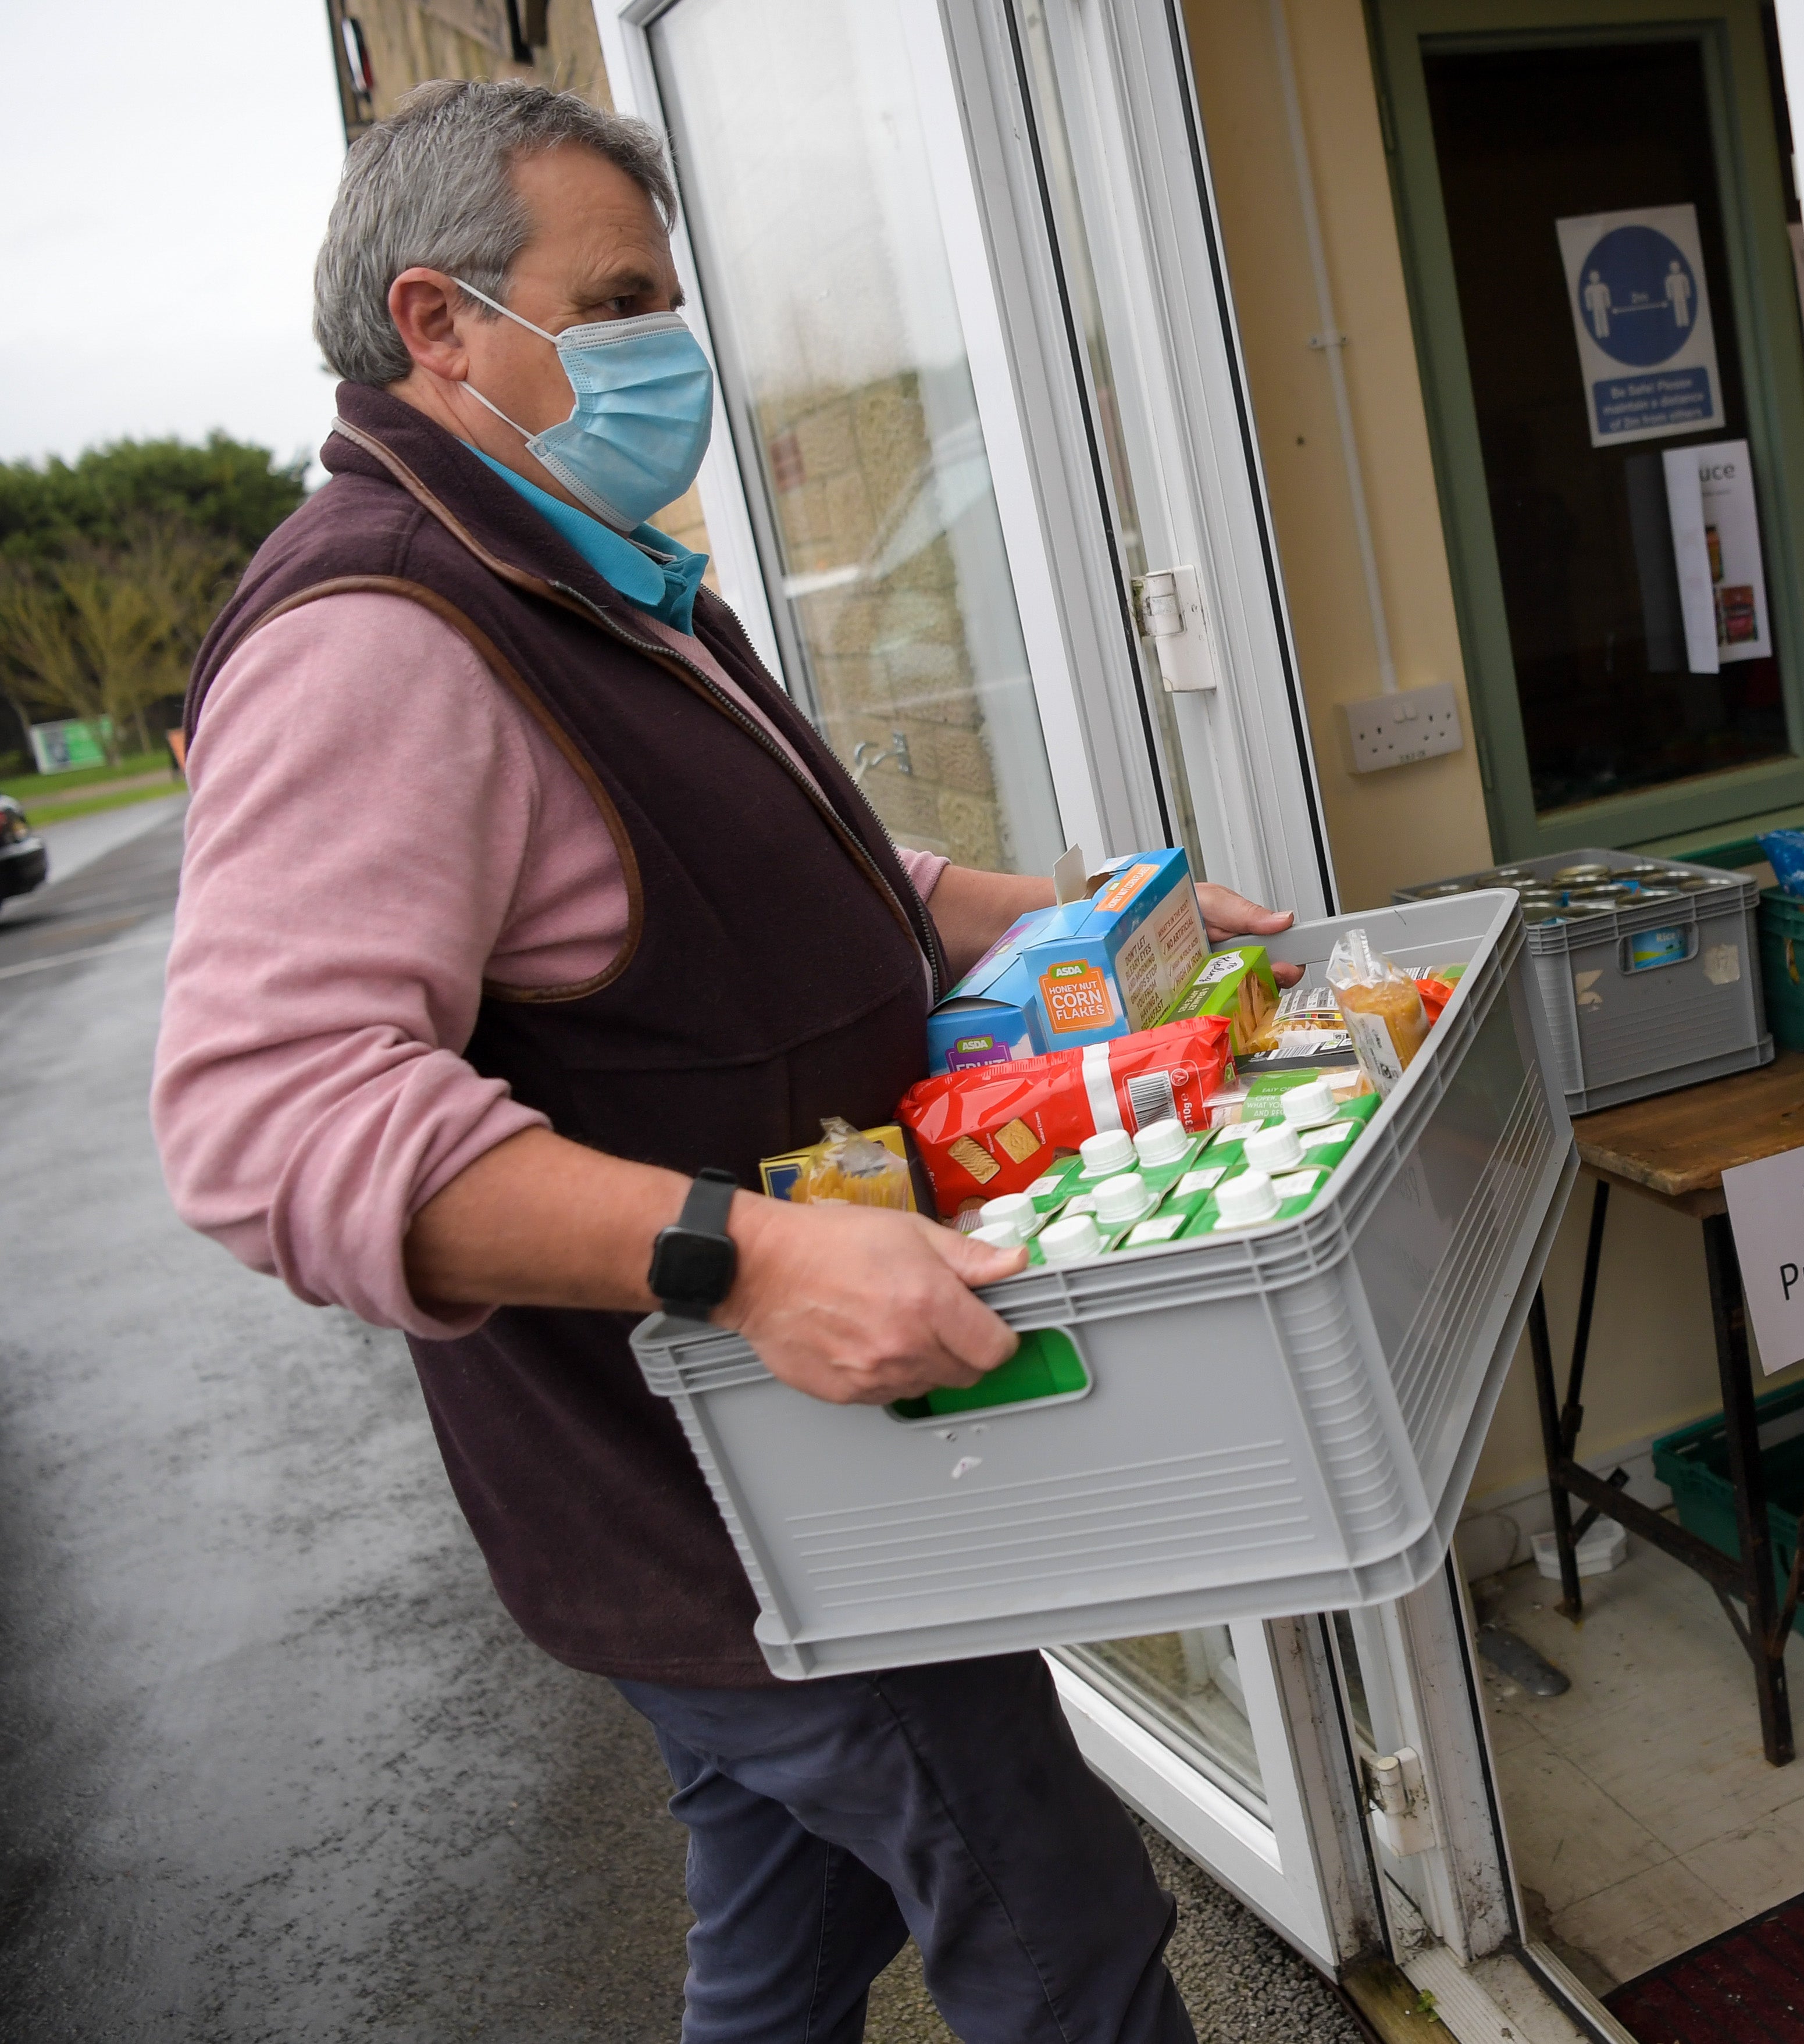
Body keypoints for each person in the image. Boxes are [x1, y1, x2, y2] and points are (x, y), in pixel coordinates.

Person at [151, 79, 1285, 2044]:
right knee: (1064, 1940)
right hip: (727, 1505)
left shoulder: (590, 573)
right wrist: (749, 1260)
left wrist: (1085, 915)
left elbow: (823, 873)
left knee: (786, 1951)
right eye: (620, 300)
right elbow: (271, 1118)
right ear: (439, 324)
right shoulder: (381, 634)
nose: (669, 345)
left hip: (759, 1513)